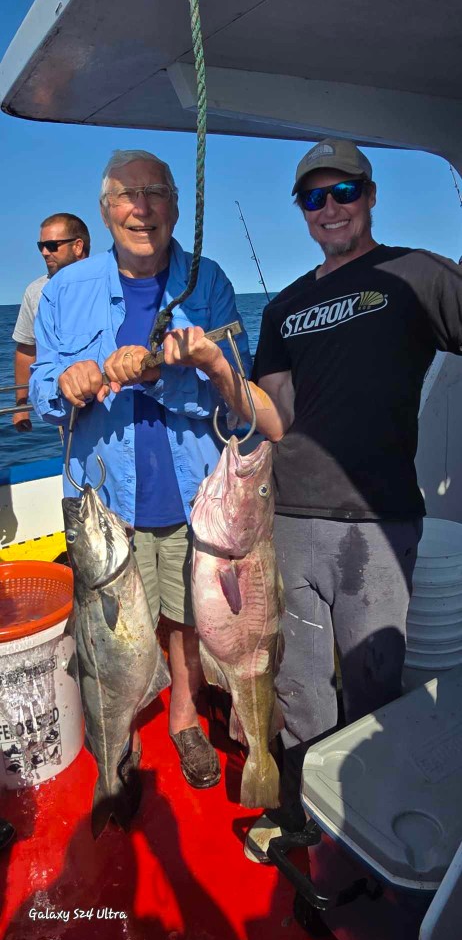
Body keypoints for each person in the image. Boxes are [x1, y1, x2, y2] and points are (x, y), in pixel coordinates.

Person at [159, 137, 462, 859]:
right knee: (293, 685)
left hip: (376, 521)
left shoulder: (417, 273)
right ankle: (301, 816)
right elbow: (275, 415)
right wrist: (217, 369)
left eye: (344, 192)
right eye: (313, 198)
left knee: (372, 686)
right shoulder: (288, 305)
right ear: (301, 209)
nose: (329, 209)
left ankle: (372, 832)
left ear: (370, 194)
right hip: (279, 520)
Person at [29, 149, 252, 789]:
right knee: (108, 633)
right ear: (106, 212)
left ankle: (183, 718)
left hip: (190, 493)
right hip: (102, 503)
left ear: (176, 206)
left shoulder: (206, 284)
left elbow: (234, 390)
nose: (142, 207)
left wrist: (161, 375)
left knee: (184, 617)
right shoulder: (62, 291)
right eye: (127, 195)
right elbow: (43, 388)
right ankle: (117, 738)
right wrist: (65, 383)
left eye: (156, 192)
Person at [12, 213, 90, 432]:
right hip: (62, 404)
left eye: (52, 245)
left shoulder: (109, 280)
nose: (45, 252)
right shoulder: (35, 292)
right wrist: (21, 406)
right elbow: (27, 349)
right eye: (41, 246)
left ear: (77, 246)